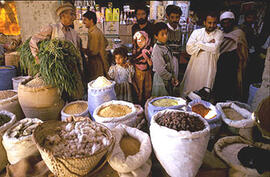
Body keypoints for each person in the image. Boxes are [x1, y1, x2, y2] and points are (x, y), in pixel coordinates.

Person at [29, 2, 84, 99]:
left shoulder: (74, 33)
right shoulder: (52, 28)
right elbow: (34, 40)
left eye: (73, 14)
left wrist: (80, 67)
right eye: (71, 14)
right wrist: (38, 58)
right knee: (59, 95)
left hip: (72, 70)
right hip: (58, 71)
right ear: (63, 15)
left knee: (74, 95)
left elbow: (78, 51)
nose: (74, 17)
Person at [180, 11, 223, 97]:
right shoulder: (197, 32)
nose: (211, 25)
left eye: (214, 23)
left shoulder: (219, 34)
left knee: (204, 95)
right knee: (189, 92)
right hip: (194, 68)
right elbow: (189, 49)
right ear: (204, 22)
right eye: (209, 23)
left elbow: (214, 48)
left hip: (209, 69)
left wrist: (198, 44)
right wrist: (206, 44)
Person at [214, 11, 248, 102]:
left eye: (228, 22)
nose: (226, 24)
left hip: (232, 65)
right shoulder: (219, 34)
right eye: (224, 23)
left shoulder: (239, 33)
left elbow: (244, 51)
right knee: (219, 87)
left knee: (230, 88)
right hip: (220, 64)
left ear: (233, 22)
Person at [151, 22, 179, 96]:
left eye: (166, 33)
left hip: (167, 78)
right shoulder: (157, 49)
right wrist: (171, 77)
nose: (165, 36)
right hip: (160, 79)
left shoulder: (165, 46)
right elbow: (160, 70)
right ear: (156, 36)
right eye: (162, 34)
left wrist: (172, 77)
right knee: (161, 100)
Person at [82, 11, 109, 82]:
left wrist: (82, 50)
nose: (83, 22)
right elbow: (106, 42)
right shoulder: (95, 31)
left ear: (91, 20)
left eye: (85, 20)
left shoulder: (94, 33)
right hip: (98, 62)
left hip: (96, 64)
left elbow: (93, 52)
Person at [132, 31, 153, 105]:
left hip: (147, 72)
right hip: (138, 72)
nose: (140, 41)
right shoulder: (135, 50)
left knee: (148, 89)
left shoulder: (149, 50)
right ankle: (139, 105)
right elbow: (133, 60)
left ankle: (147, 105)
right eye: (138, 39)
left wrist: (147, 59)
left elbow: (151, 64)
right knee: (139, 90)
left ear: (146, 40)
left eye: (142, 39)